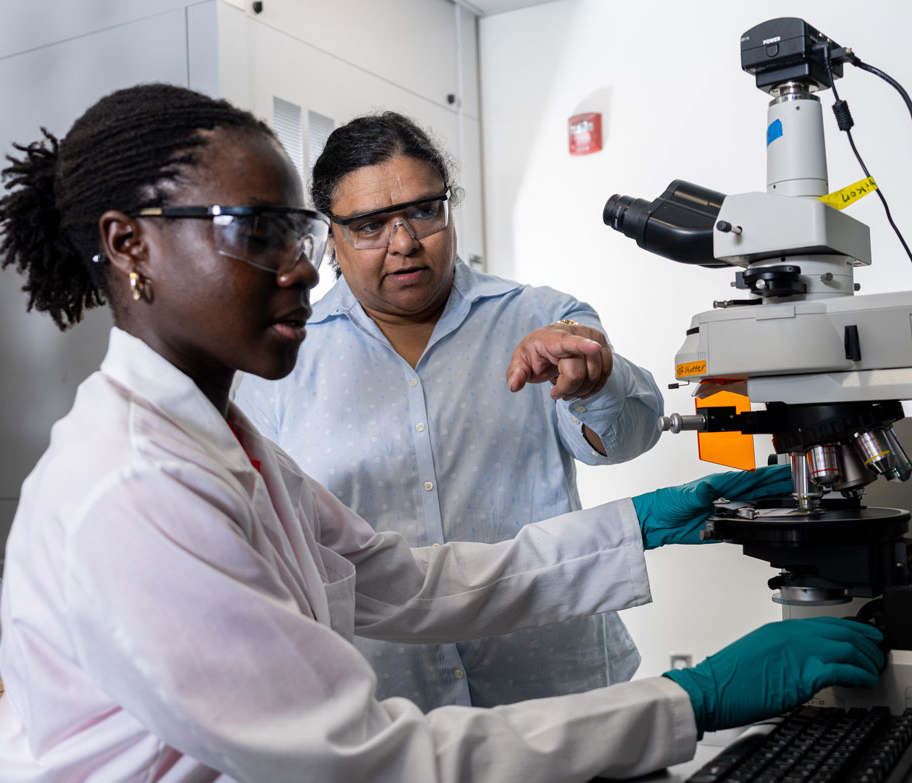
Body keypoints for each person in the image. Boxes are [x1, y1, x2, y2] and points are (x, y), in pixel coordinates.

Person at [0, 84, 884, 783]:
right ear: (130, 247)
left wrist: (639, 524)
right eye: (263, 232)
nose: (306, 267)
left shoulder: (222, 440)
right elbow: (370, 771)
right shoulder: (133, 486)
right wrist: (692, 700)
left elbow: (405, 581)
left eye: (297, 233)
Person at [235, 111, 661, 713]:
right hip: (392, 712)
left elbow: (630, 437)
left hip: (558, 690)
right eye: (370, 225)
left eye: (424, 212)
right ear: (331, 237)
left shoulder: (540, 318)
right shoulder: (284, 357)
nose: (404, 242)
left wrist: (597, 376)